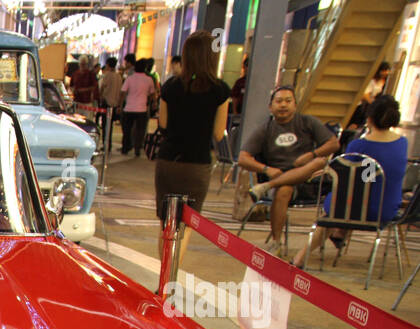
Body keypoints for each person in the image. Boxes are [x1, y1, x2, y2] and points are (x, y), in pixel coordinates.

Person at [294, 94, 408, 268]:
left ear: (369, 119)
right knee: (360, 196)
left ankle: (300, 258)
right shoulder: (402, 143)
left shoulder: (358, 146)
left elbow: (351, 181)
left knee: (341, 205)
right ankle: (339, 233)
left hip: (357, 208)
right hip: (386, 210)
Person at [154, 30, 231, 254]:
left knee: (166, 223)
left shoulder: (170, 87)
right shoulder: (220, 90)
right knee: (186, 224)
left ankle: (162, 279)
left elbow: (164, 124)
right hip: (197, 164)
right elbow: (218, 133)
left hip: (168, 161)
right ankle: (172, 279)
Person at [238, 86, 339, 256]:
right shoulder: (266, 129)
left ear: (295, 104)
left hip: (307, 180)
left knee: (319, 162)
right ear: (271, 107)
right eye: (279, 101)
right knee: (284, 189)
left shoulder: (307, 122)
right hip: (280, 180)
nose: (283, 105)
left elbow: (333, 144)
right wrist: (266, 169)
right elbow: (242, 158)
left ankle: (266, 186)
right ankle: (277, 242)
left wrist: (311, 154)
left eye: (288, 101)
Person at [121, 59, 155, 156]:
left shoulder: (129, 78)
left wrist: (120, 105)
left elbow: (123, 92)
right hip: (142, 109)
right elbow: (153, 94)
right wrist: (154, 103)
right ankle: (137, 148)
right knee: (140, 130)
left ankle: (125, 147)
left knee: (127, 129)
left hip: (129, 108)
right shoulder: (149, 80)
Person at [98, 56, 122, 143]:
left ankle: (105, 144)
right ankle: (109, 143)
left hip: (106, 102)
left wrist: (100, 97)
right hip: (115, 103)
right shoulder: (119, 76)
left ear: (108, 65)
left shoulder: (107, 75)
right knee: (111, 125)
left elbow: (102, 88)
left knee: (105, 125)